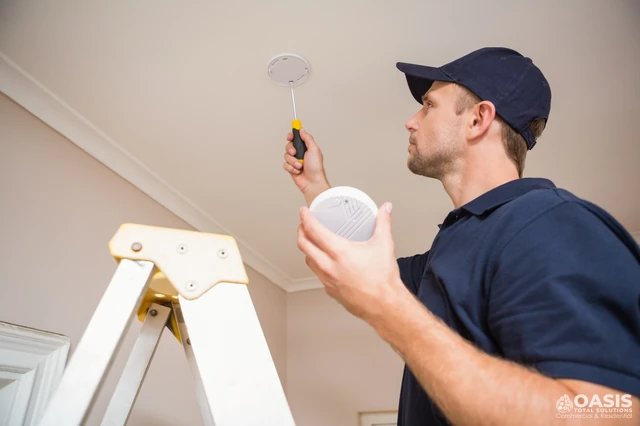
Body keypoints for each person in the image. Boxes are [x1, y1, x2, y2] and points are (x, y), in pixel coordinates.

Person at [282, 47, 640, 425]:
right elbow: (357, 263)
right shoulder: (454, 248)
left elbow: (612, 413)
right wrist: (316, 187)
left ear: (478, 119)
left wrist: (385, 305)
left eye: (428, 105)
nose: (411, 121)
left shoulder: (552, 224)